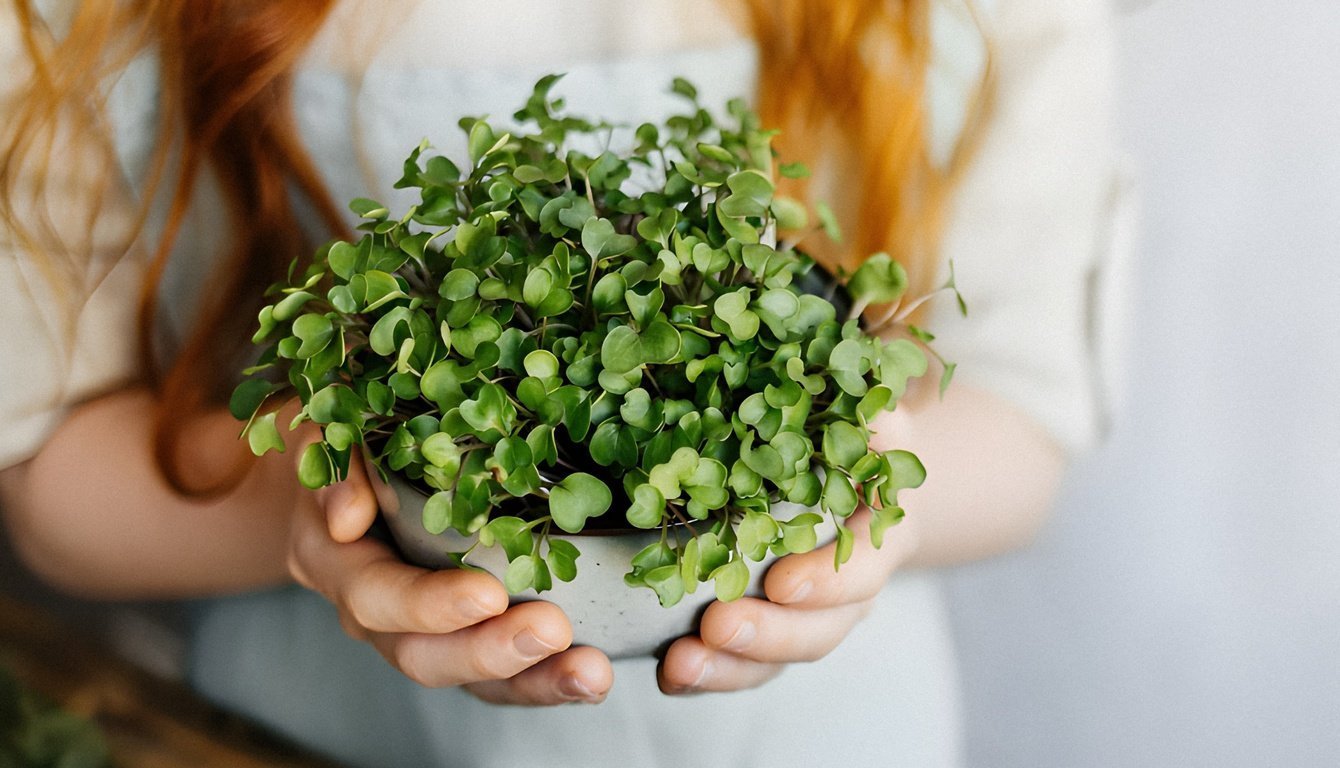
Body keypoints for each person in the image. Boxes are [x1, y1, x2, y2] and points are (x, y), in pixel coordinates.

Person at [0, 0, 1122, 765]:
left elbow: (1021, 411)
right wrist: (341, 499)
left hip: (818, 731)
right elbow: (47, 468)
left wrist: (859, 500)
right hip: (314, 723)